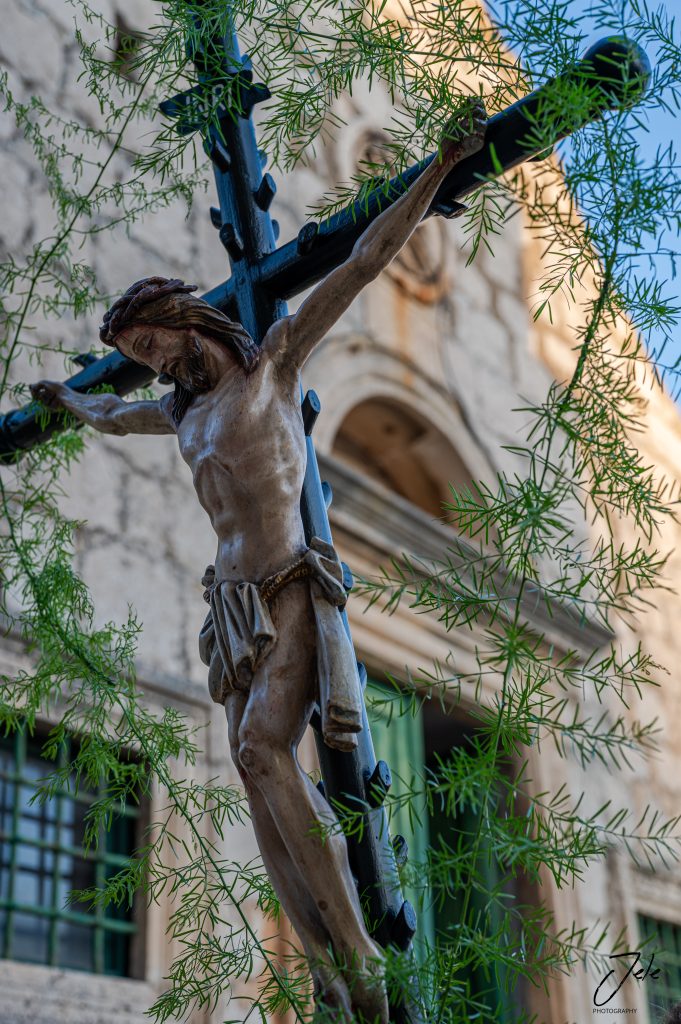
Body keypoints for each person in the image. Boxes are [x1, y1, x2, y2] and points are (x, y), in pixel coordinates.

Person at [31, 102, 487, 1023]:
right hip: (232, 605)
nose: (155, 366)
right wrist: (68, 403)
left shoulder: (272, 364)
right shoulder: (182, 412)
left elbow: (362, 263)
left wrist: (440, 167)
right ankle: (324, 961)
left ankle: (359, 950)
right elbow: (114, 415)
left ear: (183, 322)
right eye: (139, 357)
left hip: (287, 585)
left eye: (153, 346)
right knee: (252, 773)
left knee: (258, 748)